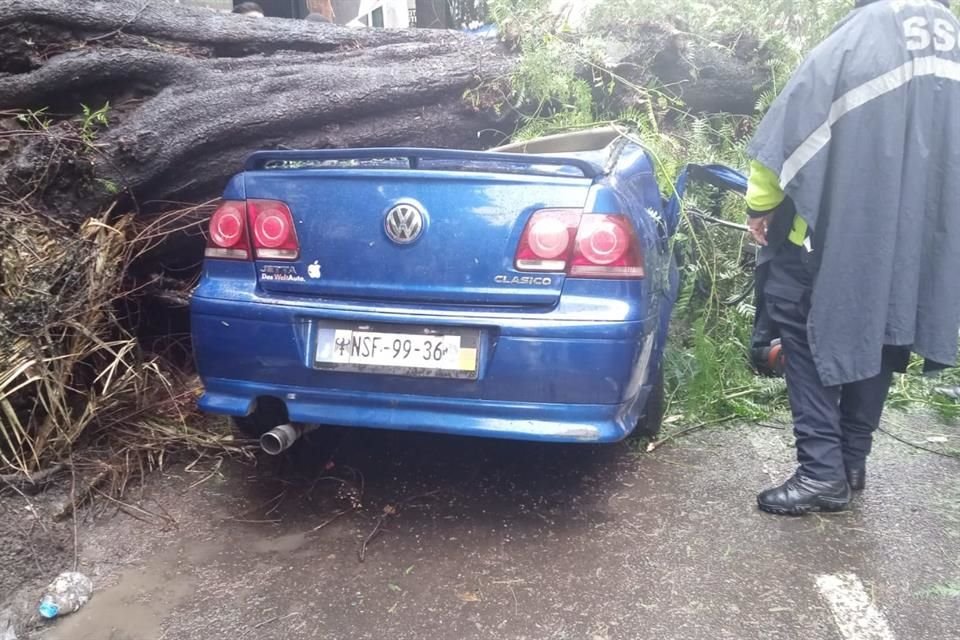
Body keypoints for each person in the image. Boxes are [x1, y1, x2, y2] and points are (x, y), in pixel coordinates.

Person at [745, 0, 960, 515]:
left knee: (801, 323)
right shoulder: (950, 33)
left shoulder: (863, 33)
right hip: (917, 239)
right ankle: (850, 460)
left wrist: (761, 206)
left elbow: (794, 127)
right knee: (882, 330)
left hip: (839, 233)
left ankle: (822, 473)